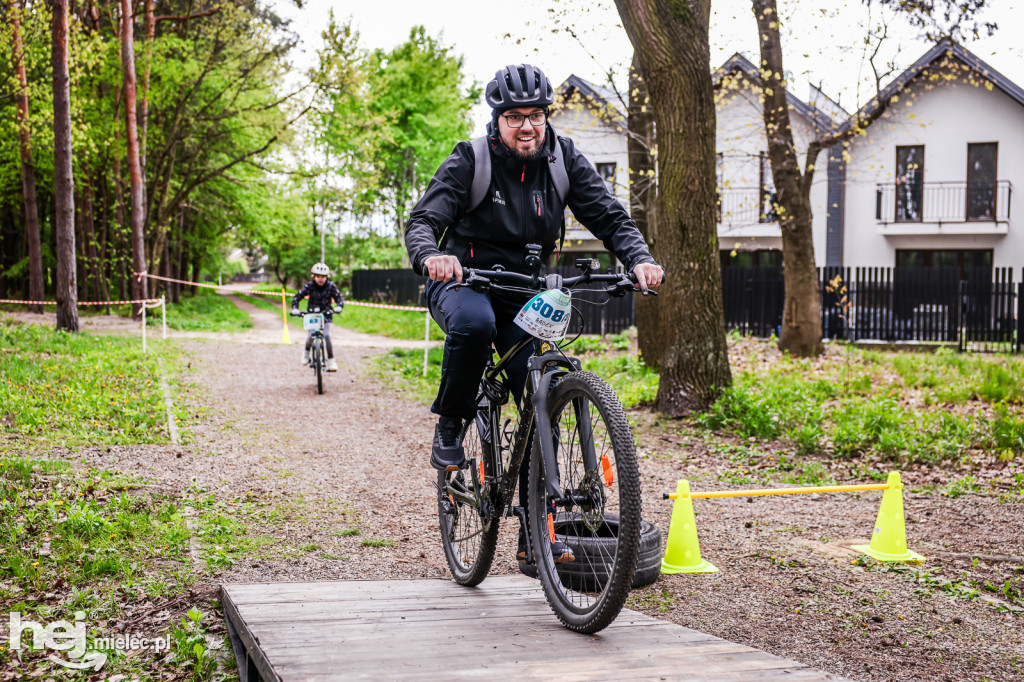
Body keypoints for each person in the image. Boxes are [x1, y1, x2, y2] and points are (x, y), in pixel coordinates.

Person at [404, 63, 663, 562]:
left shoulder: (563, 159)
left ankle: (532, 539)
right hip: (465, 281)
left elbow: (608, 214)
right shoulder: (470, 160)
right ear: (497, 121)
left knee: (537, 393)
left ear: (547, 117)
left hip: (525, 289)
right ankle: (452, 426)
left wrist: (640, 259)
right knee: (475, 326)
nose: (528, 126)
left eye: (537, 116)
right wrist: (432, 257)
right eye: (515, 117)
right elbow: (424, 220)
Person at [291, 263, 345, 372]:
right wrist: (295, 308)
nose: (320, 279)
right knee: (310, 336)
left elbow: (339, 298)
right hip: (312, 314)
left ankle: (331, 360)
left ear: (327, 277)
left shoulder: (331, 286)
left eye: (323, 276)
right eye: (318, 276)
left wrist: (339, 306)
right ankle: (306, 353)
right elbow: (297, 297)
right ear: (314, 277)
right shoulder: (310, 286)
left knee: (326, 335)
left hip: (326, 314)